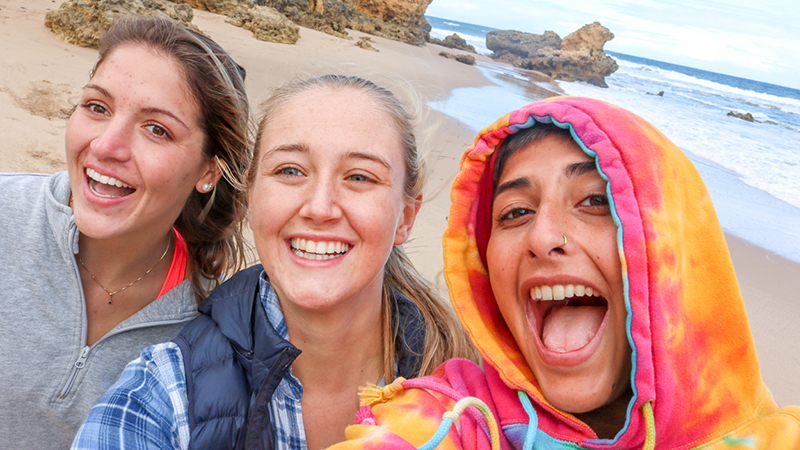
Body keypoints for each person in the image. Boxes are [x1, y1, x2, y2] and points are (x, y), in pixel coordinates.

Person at [328, 97, 800, 449]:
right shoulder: (454, 419)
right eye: (514, 212)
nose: (541, 237)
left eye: (595, 200)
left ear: (676, 246)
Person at [72, 74, 478, 450]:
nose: (320, 208)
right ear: (251, 197)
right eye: (290, 170)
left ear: (406, 216)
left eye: (359, 177)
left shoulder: (479, 394)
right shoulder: (161, 395)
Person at [0, 15, 251, 449]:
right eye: (97, 107)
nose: (105, 146)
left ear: (208, 170)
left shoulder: (211, 329)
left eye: (157, 129)